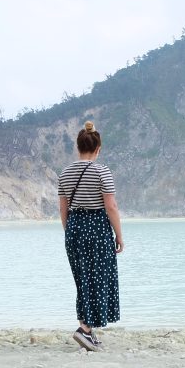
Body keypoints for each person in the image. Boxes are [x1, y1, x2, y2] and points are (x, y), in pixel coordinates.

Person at [57, 121, 124, 351]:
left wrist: (70, 232)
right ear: (98, 148)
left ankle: (87, 331)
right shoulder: (102, 171)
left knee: (83, 280)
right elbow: (111, 206)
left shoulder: (65, 173)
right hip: (96, 228)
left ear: (78, 147)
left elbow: (63, 209)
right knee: (99, 279)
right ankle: (84, 330)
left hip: (74, 228)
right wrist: (119, 235)